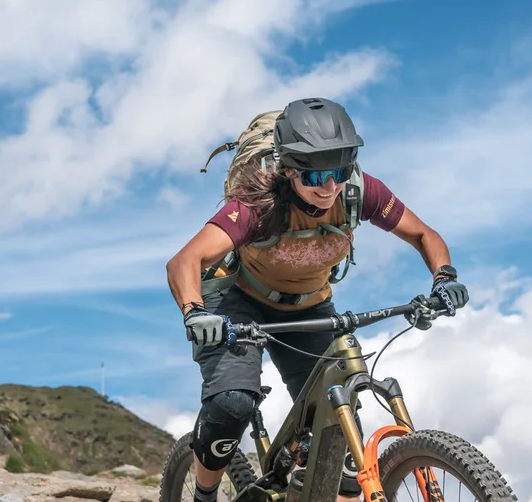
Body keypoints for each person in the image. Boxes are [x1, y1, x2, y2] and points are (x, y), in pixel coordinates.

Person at [166, 98, 469, 502]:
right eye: (318, 176)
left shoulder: (360, 192)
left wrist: (444, 278)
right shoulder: (259, 203)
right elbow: (185, 260)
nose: (330, 188)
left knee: (342, 445)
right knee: (232, 404)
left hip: (309, 307)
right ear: (289, 170)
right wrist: (194, 313)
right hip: (239, 303)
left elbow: (421, 234)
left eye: (340, 172)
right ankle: (204, 495)